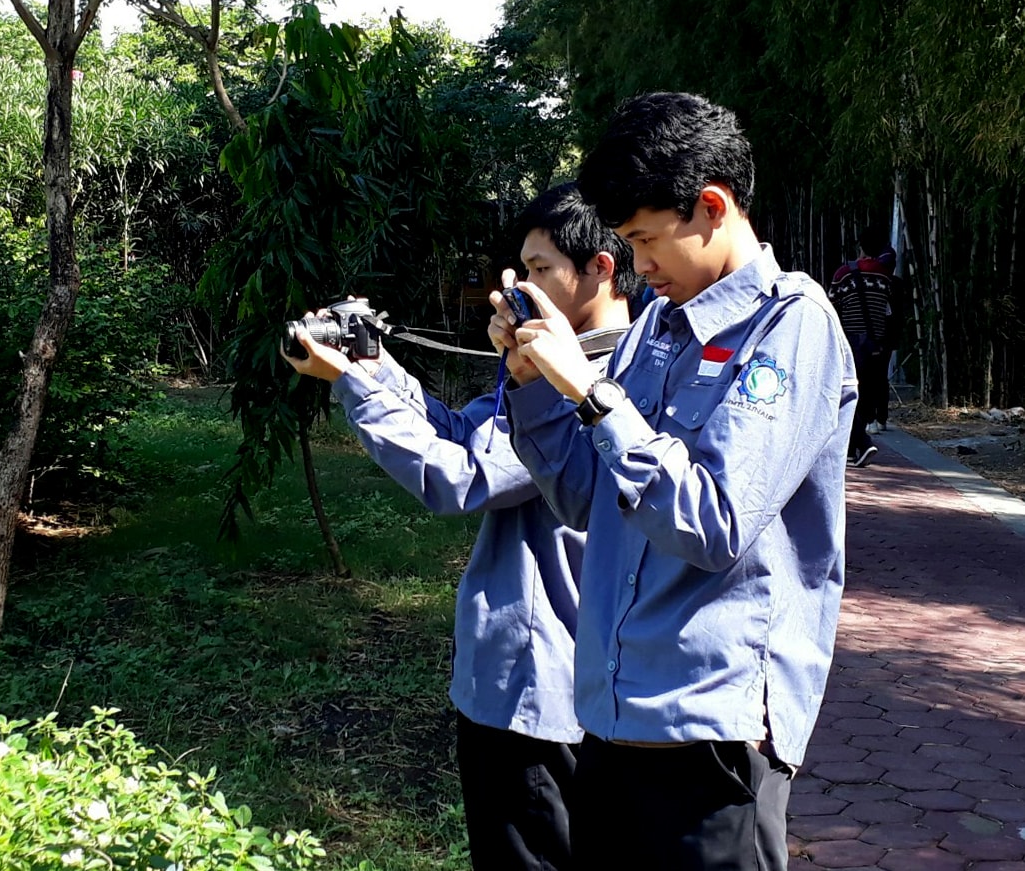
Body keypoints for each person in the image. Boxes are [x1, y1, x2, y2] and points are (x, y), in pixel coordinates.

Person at [490, 93, 853, 871]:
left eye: (647, 240)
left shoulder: (791, 325)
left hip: (710, 739)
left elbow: (713, 522)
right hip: (612, 721)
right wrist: (533, 386)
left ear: (712, 207)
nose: (641, 266)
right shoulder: (654, 328)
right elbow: (584, 498)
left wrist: (592, 392)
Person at [283, 182, 636, 871]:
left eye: (539, 270)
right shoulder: (558, 366)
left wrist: (348, 385)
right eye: (521, 269)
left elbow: (460, 476)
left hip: (542, 690)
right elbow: (461, 431)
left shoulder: (591, 380)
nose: (518, 288)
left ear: (600, 268)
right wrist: (375, 365)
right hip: (536, 688)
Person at [829, 228, 902, 465]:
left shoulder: (843, 274)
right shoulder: (885, 277)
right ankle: (857, 443)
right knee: (868, 392)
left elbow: (832, 306)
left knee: (847, 393)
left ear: (861, 246)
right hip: (877, 343)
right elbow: (888, 311)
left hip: (850, 341)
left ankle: (860, 443)